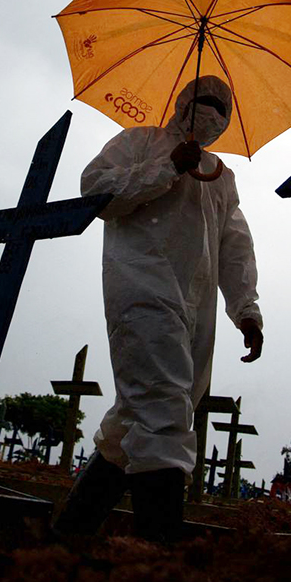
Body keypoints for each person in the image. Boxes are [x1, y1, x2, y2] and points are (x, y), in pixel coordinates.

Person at [53, 76, 263, 542]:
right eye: (203, 102)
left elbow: (235, 246)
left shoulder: (221, 176)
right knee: (165, 405)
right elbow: (97, 193)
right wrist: (167, 166)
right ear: (183, 103)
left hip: (197, 305)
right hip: (141, 285)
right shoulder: (138, 142)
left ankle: (69, 535)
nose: (212, 113)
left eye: (221, 108)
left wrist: (246, 309)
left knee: (142, 415)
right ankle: (159, 553)